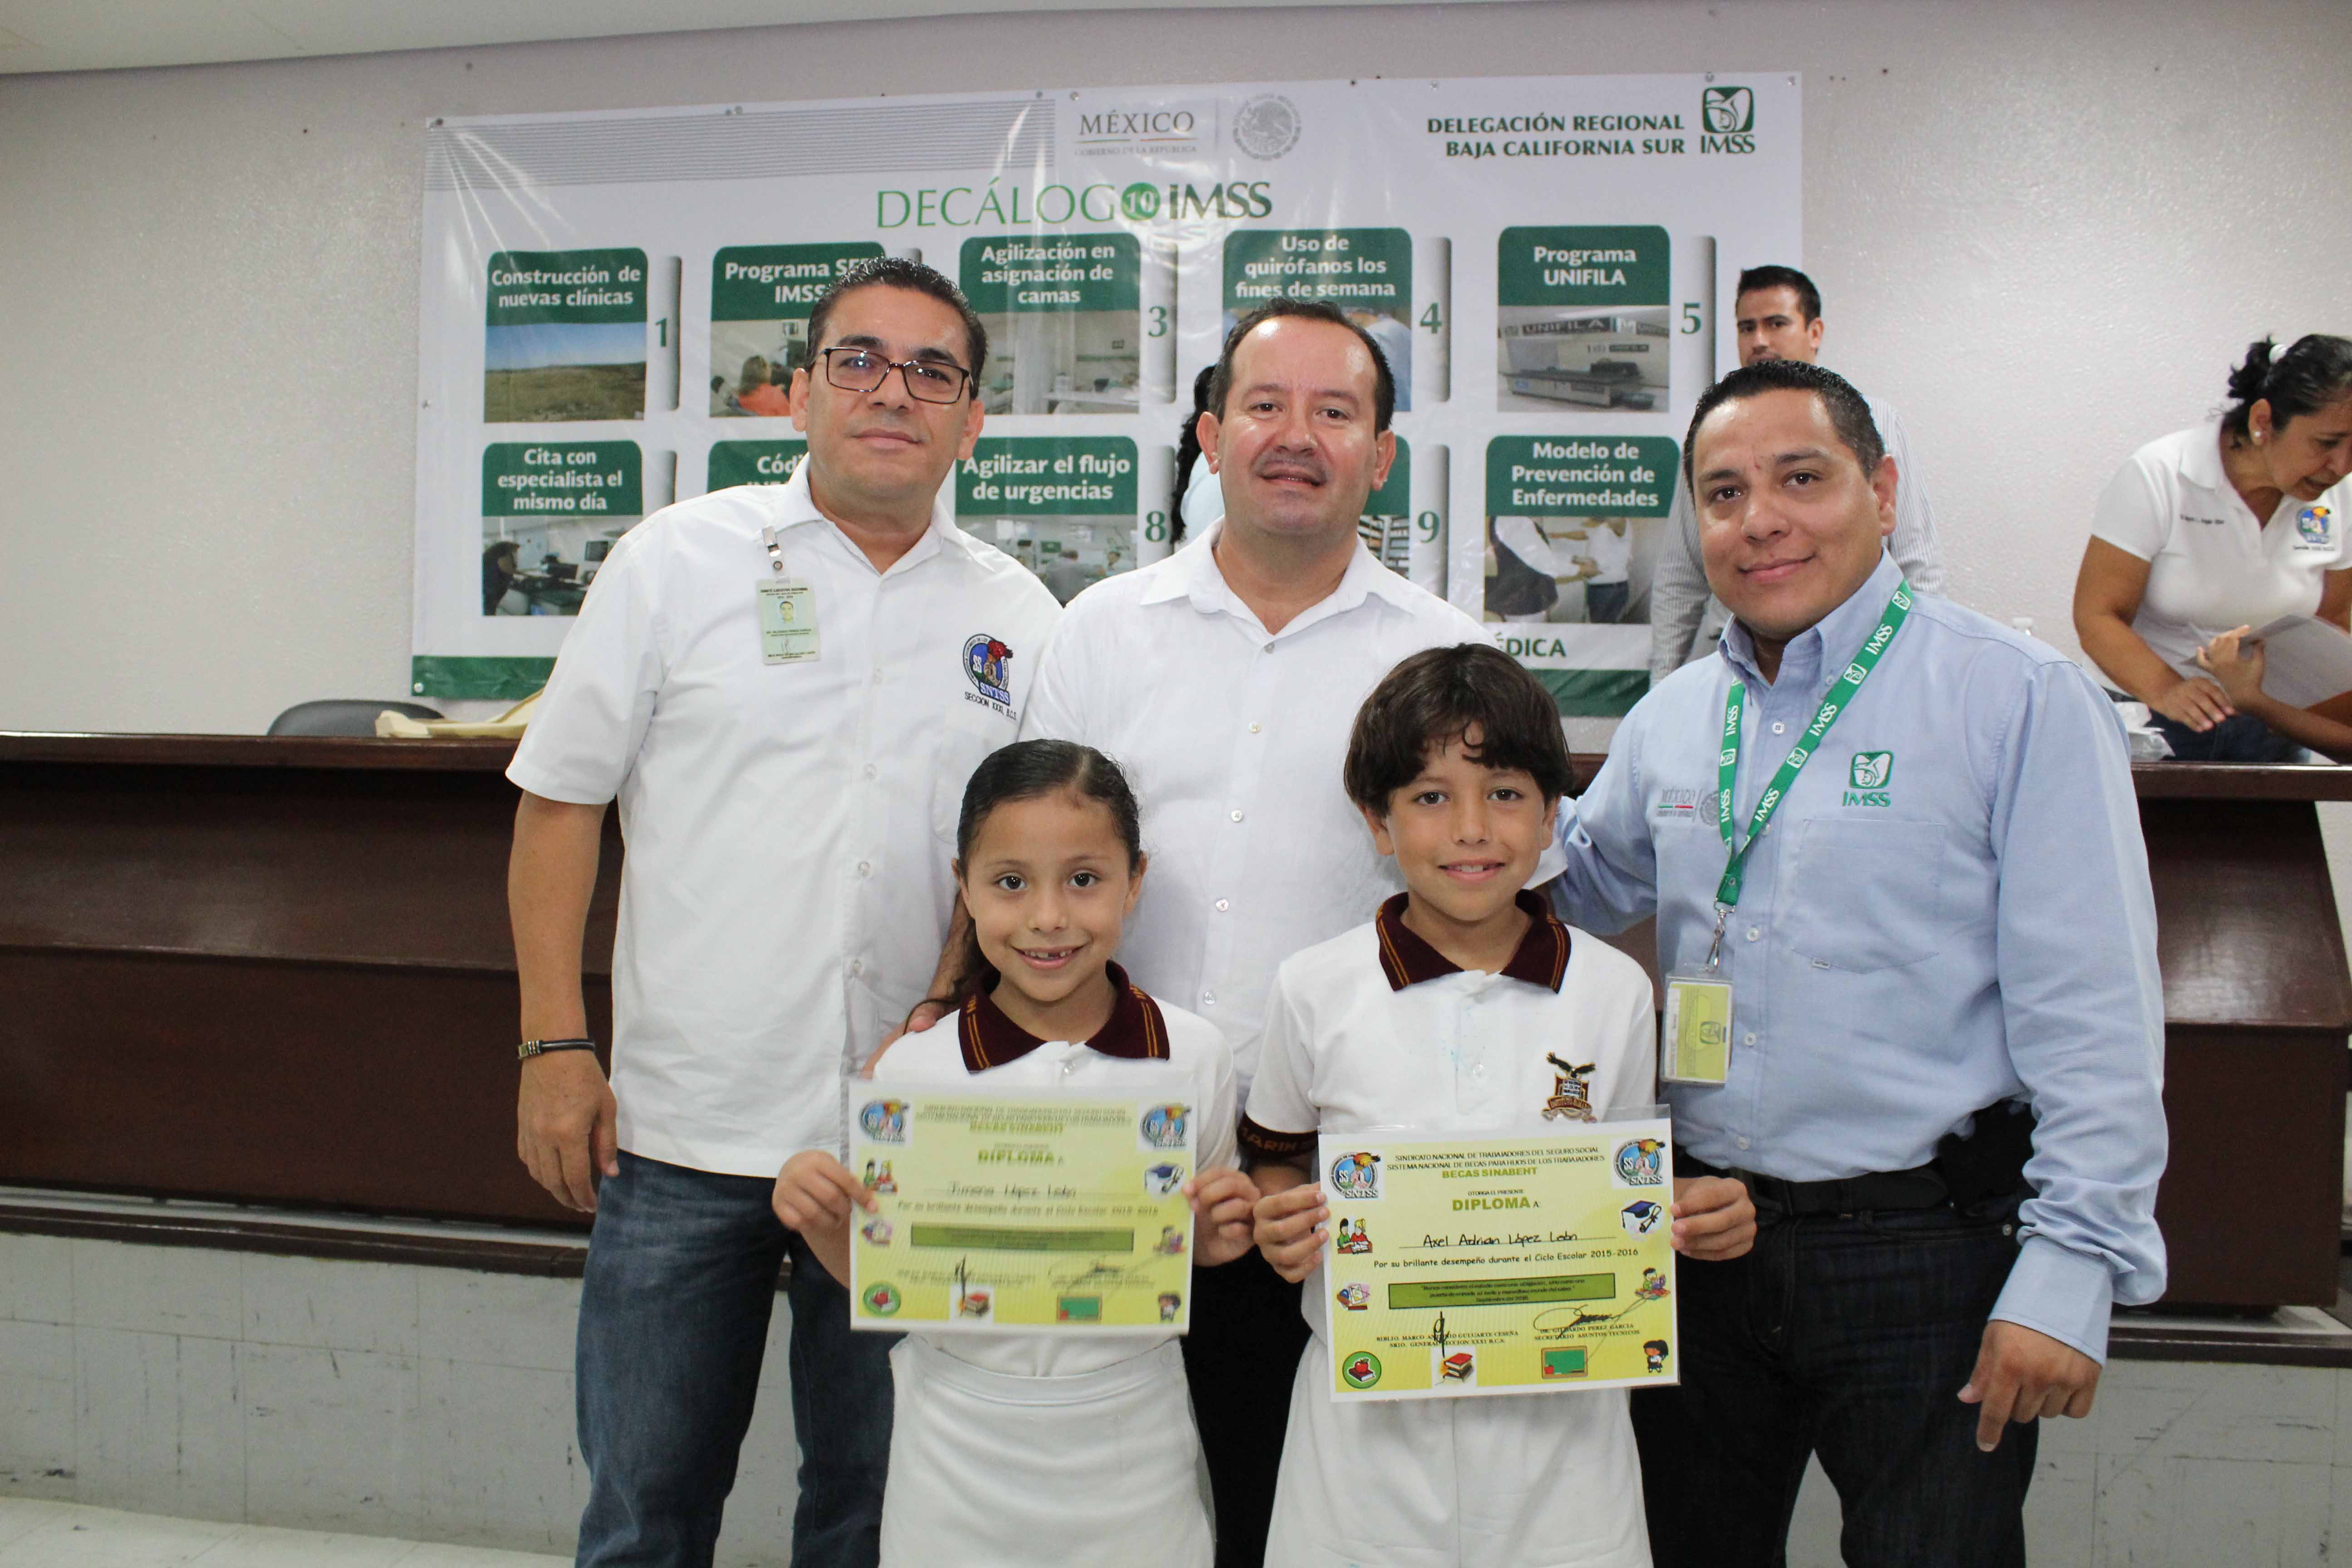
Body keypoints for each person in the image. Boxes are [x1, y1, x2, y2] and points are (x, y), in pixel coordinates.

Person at [902, 297, 1518, 1568]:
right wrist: (943, 1007)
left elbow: (1491, 907)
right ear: (1210, 433)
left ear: (1381, 454)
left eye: (1334, 413)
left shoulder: (1444, 653)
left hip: (1329, 1190)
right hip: (1104, 1168)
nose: (1296, 436)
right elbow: (1027, 847)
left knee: (1295, 1524)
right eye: (1265, 405)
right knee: (1115, 1520)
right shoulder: (1104, 627)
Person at [1553, 358, 2167, 1567]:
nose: (1760, 520)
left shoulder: (2015, 697)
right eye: (1723, 493)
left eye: (1801, 479)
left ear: (1880, 493)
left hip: (1928, 1258)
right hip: (1701, 1243)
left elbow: (2095, 1014)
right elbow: (1570, 888)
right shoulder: (1675, 717)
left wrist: (2070, 1269)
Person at [503, 256, 1060, 1568]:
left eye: (933, 371)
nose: (893, 392)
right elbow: (560, 804)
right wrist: (552, 1045)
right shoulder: (674, 562)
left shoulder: (1019, 615)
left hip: (901, 1139)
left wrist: (946, 998)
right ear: (799, 393)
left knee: (871, 1515)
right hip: (681, 1131)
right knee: (645, 1512)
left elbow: (1013, 857)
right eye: (858, 360)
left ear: (972, 420)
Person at [1244, 644, 1754, 1568]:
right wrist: (1278, 1219)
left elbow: (1626, 1190)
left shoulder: (1613, 991)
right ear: (1377, 822)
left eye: (1507, 793)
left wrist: (1689, 1212)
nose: (1472, 829)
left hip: (1565, 1440)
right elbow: (1275, 1160)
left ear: (1553, 815)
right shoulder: (1312, 989)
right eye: (1430, 797)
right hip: (1364, 1441)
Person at [773, 740, 1258, 1568]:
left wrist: (1216, 1240)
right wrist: (819, 1219)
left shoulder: (1194, 1056)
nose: (1048, 917)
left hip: (1131, 1445)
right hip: (954, 1445)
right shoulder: (913, 1071)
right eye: (1009, 883)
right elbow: (886, 1272)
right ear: (962, 886)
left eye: (1084, 879)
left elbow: (1197, 1242)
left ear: (1134, 881)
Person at [1648, 265, 1945, 683]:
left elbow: (1918, 565)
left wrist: (1923, 672)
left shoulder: (1874, 421)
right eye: (1747, 328)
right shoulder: (1710, 436)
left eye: (1776, 324)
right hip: (1727, 666)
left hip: (1858, 665)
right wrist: (1661, 690)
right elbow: (1680, 580)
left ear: (1815, 332)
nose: (1759, 341)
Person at [2073, 333, 2352, 761]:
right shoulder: (2161, 473)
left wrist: (2288, 714)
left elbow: (2332, 624)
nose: (2342, 466)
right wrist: (2169, 690)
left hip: (2271, 724)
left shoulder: (2340, 494)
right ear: (2263, 422)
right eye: (2327, 443)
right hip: (2157, 716)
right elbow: (2098, 615)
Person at [483, 539, 519, 615]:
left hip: (488, 584)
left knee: (489, 606)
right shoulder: (505, 551)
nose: (516, 553)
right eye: (516, 551)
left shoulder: (494, 552)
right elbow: (507, 568)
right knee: (490, 608)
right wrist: (523, 574)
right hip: (491, 586)